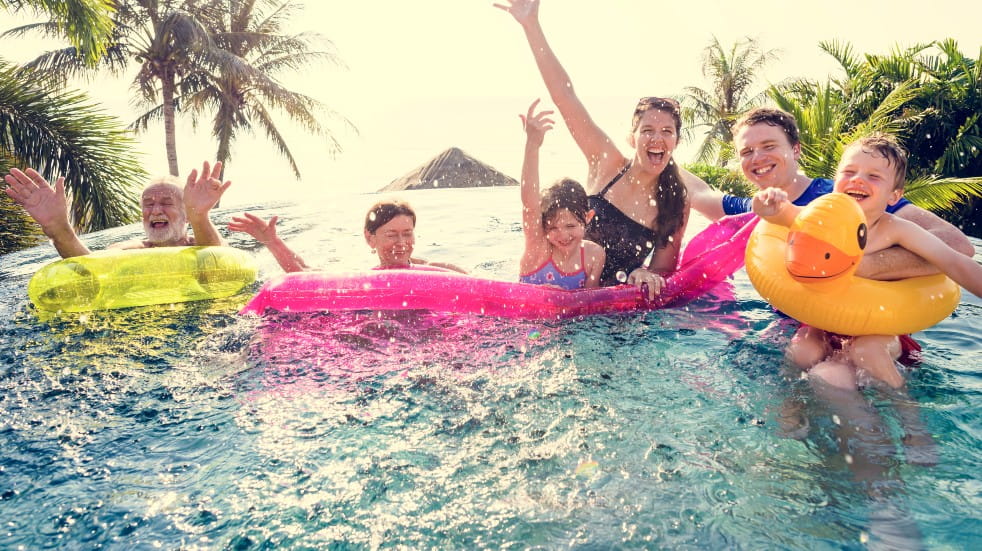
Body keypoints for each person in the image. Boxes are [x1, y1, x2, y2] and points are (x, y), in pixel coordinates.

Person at [755, 134, 982, 469]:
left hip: (878, 326)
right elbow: (779, 215)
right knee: (802, 349)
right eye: (849, 172)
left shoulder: (897, 229)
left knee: (866, 351)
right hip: (825, 320)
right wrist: (768, 205)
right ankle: (791, 406)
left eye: (874, 176)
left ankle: (911, 420)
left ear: (894, 195)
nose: (858, 180)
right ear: (835, 183)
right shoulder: (819, 218)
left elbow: (956, 263)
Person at [496, 0, 690, 299]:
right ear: (632, 136)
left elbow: (664, 268)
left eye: (667, 132)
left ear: (676, 140)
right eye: (647, 130)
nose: (657, 139)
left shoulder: (674, 200)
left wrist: (647, 273)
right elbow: (565, 97)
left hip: (613, 308)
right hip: (558, 291)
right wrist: (531, 26)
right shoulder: (607, 161)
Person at [685, 107, 975, 279]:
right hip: (796, 331)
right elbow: (698, 194)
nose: (757, 157)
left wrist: (863, 265)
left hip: (862, 324)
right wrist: (648, 152)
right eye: (747, 152)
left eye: (769, 146)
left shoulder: (845, 195)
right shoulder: (755, 213)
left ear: (795, 149)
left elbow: (958, 245)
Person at [3, 161, 231, 258]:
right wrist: (58, 228)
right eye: (148, 204)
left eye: (167, 203)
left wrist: (200, 215)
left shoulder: (204, 241)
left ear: (186, 215)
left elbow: (217, 260)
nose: (155, 210)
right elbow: (90, 266)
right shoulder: (130, 249)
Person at [229, 200, 466, 274]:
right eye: (391, 235)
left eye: (407, 234)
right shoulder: (361, 279)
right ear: (370, 238)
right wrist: (272, 241)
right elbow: (305, 273)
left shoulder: (440, 270)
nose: (402, 243)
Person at [518, 99, 605, 289]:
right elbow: (529, 204)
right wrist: (532, 145)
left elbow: (591, 306)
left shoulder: (593, 255)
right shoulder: (538, 248)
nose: (563, 235)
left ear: (587, 217)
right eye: (553, 228)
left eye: (570, 225)